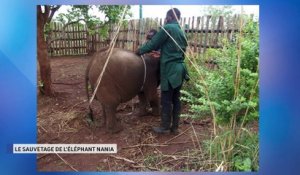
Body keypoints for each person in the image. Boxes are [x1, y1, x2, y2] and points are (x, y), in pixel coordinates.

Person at [136, 8, 189, 134]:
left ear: (169, 17)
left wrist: (139, 52)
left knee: (166, 99)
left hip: (170, 70)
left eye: (166, 17)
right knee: (176, 98)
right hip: (180, 69)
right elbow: (177, 51)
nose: (165, 19)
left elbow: (153, 43)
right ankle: (175, 127)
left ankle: (165, 127)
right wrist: (163, 54)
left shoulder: (168, 28)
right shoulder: (181, 32)